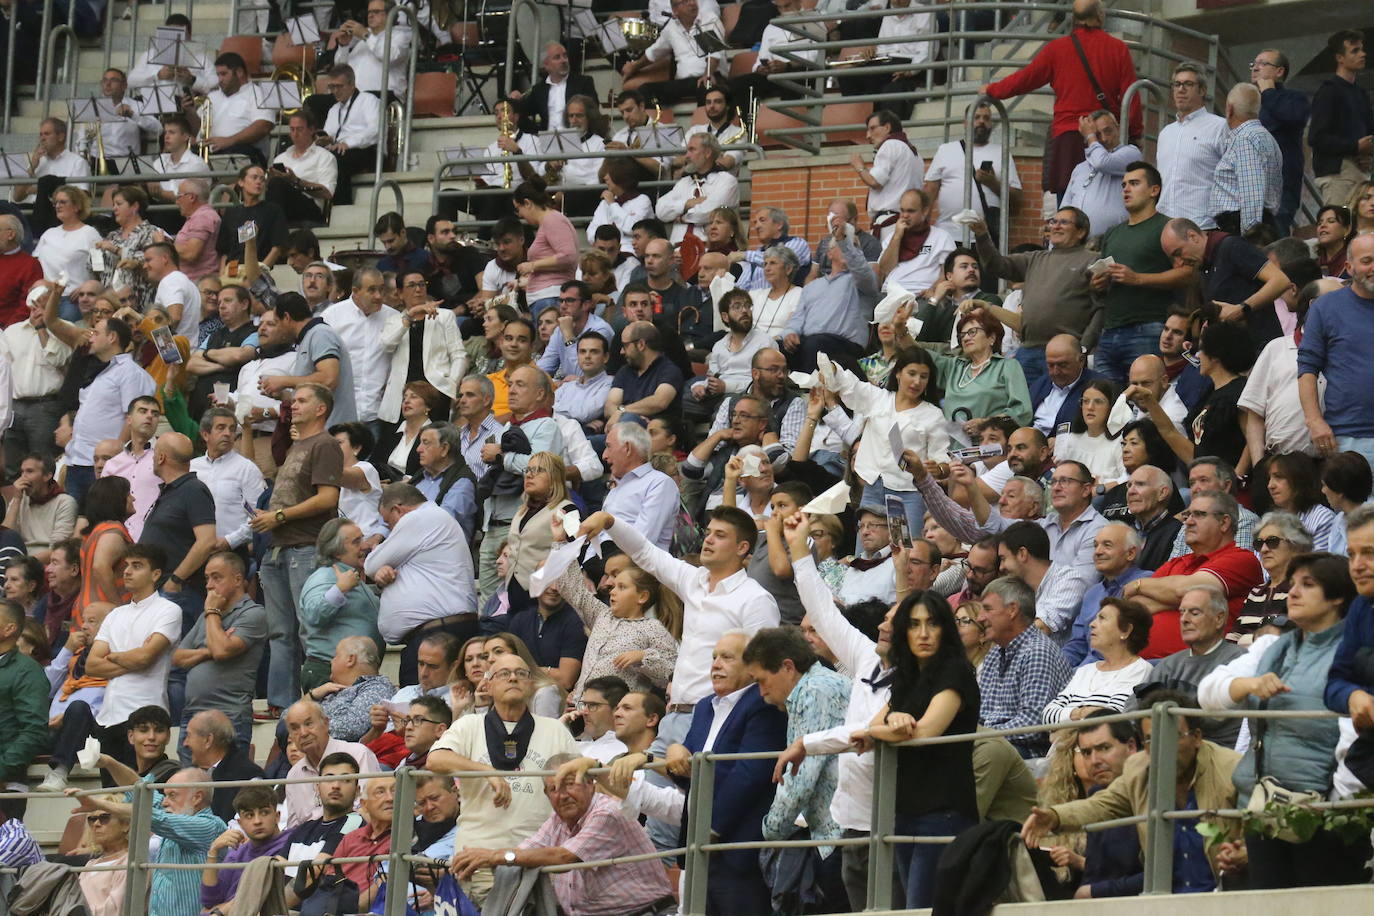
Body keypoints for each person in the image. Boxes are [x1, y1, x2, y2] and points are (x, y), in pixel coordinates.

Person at [1214, 552, 1369, 886]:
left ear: (1338, 596)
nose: (1293, 593)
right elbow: (1208, 693)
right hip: (1266, 810)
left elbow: (1353, 739)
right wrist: (1249, 684)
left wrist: (1328, 808)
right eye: (1293, 584)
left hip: (1325, 817)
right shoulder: (1274, 646)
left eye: (1307, 585)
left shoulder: (1354, 653)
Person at [1022, 689, 1238, 893]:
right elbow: (1102, 804)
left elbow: (1259, 824)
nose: (1162, 747)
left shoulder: (1231, 768)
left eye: (1174, 735)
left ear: (1196, 737)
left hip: (1224, 898)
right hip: (1161, 901)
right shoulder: (1139, 768)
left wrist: (1245, 853)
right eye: (1151, 739)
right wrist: (1055, 816)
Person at [852, 590, 978, 908]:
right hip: (905, 810)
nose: (923, 634)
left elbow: (926, 731)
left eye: (932, 624)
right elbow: (869, 731)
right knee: (913, 907)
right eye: (914, 624)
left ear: (945, 629)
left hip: (944, 810)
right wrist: (895, 721)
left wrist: (889, 728)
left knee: (920, 909)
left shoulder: (956, 671)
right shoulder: (907, 677)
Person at [426, 649, 578, 905]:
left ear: (530, 684)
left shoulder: (554, 729)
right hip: (478, 857)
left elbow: (578, 780)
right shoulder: (469, 725)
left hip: (538, 860)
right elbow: (435, 759)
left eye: (521, 674)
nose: (513, 679)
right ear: (488, 684)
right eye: (504, 674)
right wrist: (487, 771)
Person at [452, 752, 675, 915]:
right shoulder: (558, 819)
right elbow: (527, 850)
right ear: (546, 795)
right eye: (554, 789)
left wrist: (495, 857)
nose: (563, 795)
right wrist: (482, 858)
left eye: (570, 784)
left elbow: (563, 857)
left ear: (591, 784)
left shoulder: (607, 813)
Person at [979, 0, 1140, 199]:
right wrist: (1133, 134)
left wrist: (993, 90)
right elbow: (1131, 97)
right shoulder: (1118, 49)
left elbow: (1025, 79)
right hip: (1105, 138)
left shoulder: (1057, 49)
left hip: (1067, 138)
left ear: (1073, 18)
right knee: (1106, 199)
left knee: (1068, 202)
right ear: (1100, 15)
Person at [252, 384, 343, 713]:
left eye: (303, 401)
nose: (295, 405)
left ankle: (319, 701)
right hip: (278, 548)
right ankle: (281, 704)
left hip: (305, 547)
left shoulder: (326, 444)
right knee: (279, 633)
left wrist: (277, 515)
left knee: (308, 631)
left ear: (321, 409)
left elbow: (328, 498)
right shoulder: (298, 444)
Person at [1125, 490, 1263, 658]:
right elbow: (1133, 607)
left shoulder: (1241, 559)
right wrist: (1174, 598)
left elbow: (1187, 591)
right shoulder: (1176, 563)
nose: (1188, 522)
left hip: (1198, 666)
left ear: (1224, 522)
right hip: (1141, 664)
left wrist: (1138, 584)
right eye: (1188, 515)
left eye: (1198, 515)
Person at [968, 208, 1096, 390]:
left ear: (1081, 231)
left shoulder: (1092, 261)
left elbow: (1102, 308)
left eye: (1064, 222)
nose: (1056, 226)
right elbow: (996, 265)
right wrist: (981, 234)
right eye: (1053, 221)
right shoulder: (1035, 258)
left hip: (1065, 355)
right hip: (1028, 350)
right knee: (1022, 411)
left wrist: (1083, 347)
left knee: (1061, 411)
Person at [365, 483, 478, 684]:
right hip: (433, 632)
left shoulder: (420, 517)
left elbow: (371, 564)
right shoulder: (428, 523)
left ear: (398, 510)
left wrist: (377, 556)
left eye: (388, 522)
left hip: (439, 633)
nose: (390, 530)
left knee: (424, 709)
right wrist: (383, 575)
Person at [1090, 162, 1191, 385]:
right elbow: (1105, 281)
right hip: (1109, 329)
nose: (1126, 189)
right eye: (1124, 184)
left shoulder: (1167, 227)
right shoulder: (1114, 232)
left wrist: (1137, 278)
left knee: (1144, 401)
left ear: (1154, 191)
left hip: (1149, 326)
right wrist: (1100, 283)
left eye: (1134, 184)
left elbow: (1187, 273)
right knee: (1106, 402)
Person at [84, 767, 227, 916]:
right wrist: (106, 761)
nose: (165, 802)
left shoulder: (210, 826)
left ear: (197, 798)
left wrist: (100, 805)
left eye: (172, 795)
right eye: (165, 795)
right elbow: (139, 791)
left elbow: (153, 816)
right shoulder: (175, 812)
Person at [171, 552, 265, 749]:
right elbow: (177, 657)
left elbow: (222, 651)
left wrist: (212, 612)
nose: (209, 585)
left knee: (223, 777)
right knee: (190, 778)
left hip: (228, 713)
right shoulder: (206, 615)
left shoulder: (253, 614)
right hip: (193, 713)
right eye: (207, 578)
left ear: (238, 579)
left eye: (216, 577)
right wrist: (207, 651)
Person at [1299, 235, 1374, 468]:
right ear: (1349, 267)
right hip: (1349, 436)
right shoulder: (1326, 307)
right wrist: (1314, 421)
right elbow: (1307, 369)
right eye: (1367, 260)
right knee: (1353, 506)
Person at [976, 576, 1071, 759]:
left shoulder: (1037, 652)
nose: (980, 618)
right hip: (992, 743)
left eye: (987, 609)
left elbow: (1032, 725)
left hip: (1029, 753)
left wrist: (978, 735)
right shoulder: (995, 653)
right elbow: (981, 713)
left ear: (1012, 610)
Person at [63, 315, 156, 504]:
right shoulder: (99, 371)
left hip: (103, 465)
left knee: (100, 520)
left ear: (112, 337)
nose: (90, 338)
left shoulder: (129, 372)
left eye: (96, 333)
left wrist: (116, 453)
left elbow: (134, 417)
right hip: (77, 459)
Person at [783, 219, 878, 371]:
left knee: (815, 344)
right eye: (844, 246)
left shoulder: (861, 281)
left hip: (845, 347)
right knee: (776, 348)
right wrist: (790, 333)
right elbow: (797, 318)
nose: (851, 251)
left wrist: (843, 240)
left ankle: (810, 391)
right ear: (830, 253)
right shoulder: (812, 286)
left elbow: (860, 268)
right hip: (811, 343)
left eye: (855, 247)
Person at [923, 102, 1023, 242]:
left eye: (986, 118)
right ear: (965, 122)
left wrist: (993, 183)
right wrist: (921, 228)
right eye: (976, 117)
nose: (981, 121)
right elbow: (930, 191)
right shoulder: (945, 150)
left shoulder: (1002, 152)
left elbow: (1016, 199)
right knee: (930, 259)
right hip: (946, 235)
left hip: (985, 239)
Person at [1044, 598, 1152, 722]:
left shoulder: (1140, 670)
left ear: (1126, 630)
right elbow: (1048, 715)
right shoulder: (1085, 671)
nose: (1092, 624)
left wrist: (1068, 715)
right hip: (1062, 741)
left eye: (1102, 618)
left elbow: (1114, 718)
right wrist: (1081, 713)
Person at [282, 698, 382, 828]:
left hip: (353, 837)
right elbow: (293, 828)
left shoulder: (358, 754)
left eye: (309, 724)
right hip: (310, 843)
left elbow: (369, 810)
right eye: (295, 728)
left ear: (326, 723)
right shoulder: (294, 775)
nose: (303, 733)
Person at [1063, 523, 1152, 666]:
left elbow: (1117, 647)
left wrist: (1077, 676)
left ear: (1130, 553)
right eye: (1095, 545)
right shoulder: (1092, 593)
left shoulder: (1145, 584)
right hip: (1085, 674)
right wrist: (1058, 670)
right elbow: (1076, 645)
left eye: (1107, 545)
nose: (1097, 552)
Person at [201, 785, 292, 913]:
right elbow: (210, 900)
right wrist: (213, 851)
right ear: (240, 823)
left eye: (264, 812)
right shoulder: (238, 852)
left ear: (277, 816)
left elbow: (262, 899)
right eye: (249, 815)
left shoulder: (290, 843)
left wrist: (221, 910)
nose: (257, 821)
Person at [1308, 29, 1373, 206]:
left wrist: (1367, 153)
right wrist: (1355, 146)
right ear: (1340, 58)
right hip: (1338, 174)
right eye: (1355, 51)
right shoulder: (1329, 91)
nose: (1362, 54)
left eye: (1362, 49)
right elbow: (1316, 137)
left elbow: (1369, 133)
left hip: (1359, 172)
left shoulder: (1361, 94)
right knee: (1339, 228)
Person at [1209, 83, 1282, 236]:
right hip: (1259, 223)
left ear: (1229, 109)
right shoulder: (1267, 138)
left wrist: (1251, 241)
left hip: (1240, 227)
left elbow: (1252, 195)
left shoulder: (1245, 139)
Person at [621, 0, 725, 107]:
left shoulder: (709, 19)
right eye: (685, 2)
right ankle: (658, 121)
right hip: (684, 83)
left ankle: (701, 122)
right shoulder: (671, 27)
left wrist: (707, 75)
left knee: (706, 86)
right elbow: (654, 52)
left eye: (693, 0)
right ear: (675, 10)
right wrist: (634, 66)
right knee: (645, 90)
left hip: (712, 77)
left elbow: (714, 54)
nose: (692, 3)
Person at [1249, 49, 1309, 235]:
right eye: (1254, 63)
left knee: (1275, 241)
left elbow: (1293, 117)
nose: (1255, 67)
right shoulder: (1247, 100)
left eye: (1263, 63)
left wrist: (1268, 92)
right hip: (1248, 185)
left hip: (1280, 187)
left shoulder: (1294, 98)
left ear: (1279, 71)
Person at [600, 421, 680, 551]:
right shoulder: (614, 490)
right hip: (603, 566)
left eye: (609, 447)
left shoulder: (659, 483)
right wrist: (585, 568)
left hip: (633, 567)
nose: (604, 456)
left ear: (627, 448)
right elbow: (599, 539)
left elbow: (642, 543)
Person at [1061, 111, 1140, 237]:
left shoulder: (1131, 153)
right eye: (1097, 134)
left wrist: (1091, 137)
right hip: (1078, 245)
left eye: (1108, 131)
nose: (1104, 139)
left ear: (1118, 129)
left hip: (1112, 244)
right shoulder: (1080, 168)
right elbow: (1065, 206)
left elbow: (1102, 163)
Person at [850, 110, 924, 241]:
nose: (868, 135)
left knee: (885, 261)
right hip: (910, 222)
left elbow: (874, 181)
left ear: (887, 127)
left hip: (889, 223)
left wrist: (859, 166)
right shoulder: (914, 153)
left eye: (872, 128)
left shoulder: (890, 145)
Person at [181, 710, 263, 821]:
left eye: (189, 736)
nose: (185, 743)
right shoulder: (198, 774)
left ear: (208, 740)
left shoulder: (247, 777)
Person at [194, 52, 274, 166]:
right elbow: (198, 127)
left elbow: (263, 126)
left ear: (239, 72)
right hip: (209, 152)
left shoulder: (258, 93)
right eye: (218, 75)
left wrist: (229, 141)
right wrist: (190, 111)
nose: (219, 80)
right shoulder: (212, 96)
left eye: (224, 74)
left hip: (242, 153)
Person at [269, 111, 336, 225]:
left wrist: (296, 181)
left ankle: (272, 231)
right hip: (283, 205)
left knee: (277, 184)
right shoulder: (281, 158)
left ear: (311, 130)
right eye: (292, 130)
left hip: (310, 208)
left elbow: (327, 193)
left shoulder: (325, 157)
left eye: (299, 129)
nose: (295, 134)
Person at [4, 454, 76, 561]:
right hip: (19, 560)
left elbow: (57, 550)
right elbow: (6, 538)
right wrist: (16, 500)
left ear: (47, 476)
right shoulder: (20, 499)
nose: (23, 477)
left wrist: (22, 564)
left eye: (29, 471)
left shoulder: (65, 502)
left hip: (46, 564)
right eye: (22, 472)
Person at [214, 165, 287, 269]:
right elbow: (224, 251)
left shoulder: (272, 210)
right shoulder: (231, 212)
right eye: (254, 177)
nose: (258, 182)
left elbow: (277, 247)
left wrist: (261, 271)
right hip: (232, 270)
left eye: (262, 179)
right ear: (241, 182)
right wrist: (222, 276)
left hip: (258, 268)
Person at [1265, 453, 1337, 551]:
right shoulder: (1270, 520)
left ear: (1299, 480)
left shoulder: (1322, 518)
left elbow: (1319, 564)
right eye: (1270, 478)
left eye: (1278, 477)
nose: (1270, 485)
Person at [1321, 451, 1372, 556]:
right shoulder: (1338, 520)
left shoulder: (1371, 519)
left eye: (1325, 485)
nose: (1323, 491)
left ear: (1339, 489)